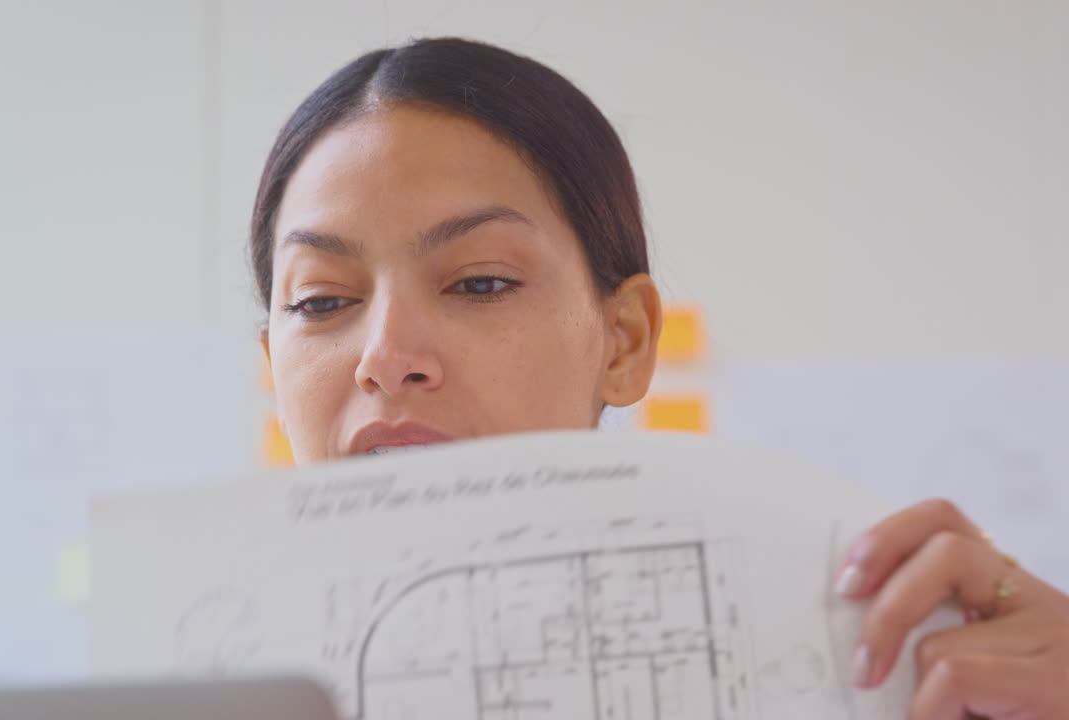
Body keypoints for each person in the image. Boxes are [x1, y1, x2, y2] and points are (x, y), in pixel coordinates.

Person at [250, 37, 1069, 717]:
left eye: (480, 283)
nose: (386, 357)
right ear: (270, 368)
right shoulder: (175, 675)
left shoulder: (860, 670)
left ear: (624, 341)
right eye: (322, 300)